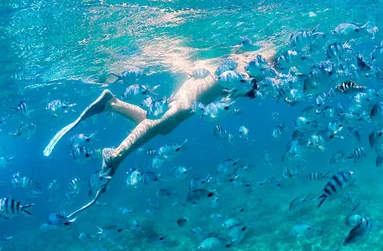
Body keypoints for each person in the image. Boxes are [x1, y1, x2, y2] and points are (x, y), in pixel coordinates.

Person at [44, 46, 278, 218]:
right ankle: (116, 154)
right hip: (196, 90)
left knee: (164, 127)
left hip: (200, 94)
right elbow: (246, 70)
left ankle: (112, 103)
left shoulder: (257, 64)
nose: (275, 66)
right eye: (274, 61)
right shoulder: (257, 58)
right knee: (168, 117)